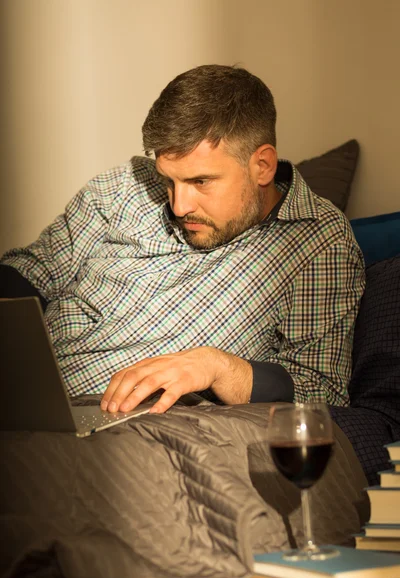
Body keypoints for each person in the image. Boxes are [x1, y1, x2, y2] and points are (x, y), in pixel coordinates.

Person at [0, 64, 365, 415]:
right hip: (22, 392)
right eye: (169, 180)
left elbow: (321, 391)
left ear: (263, 166)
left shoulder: (318, 242)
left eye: (200, 181)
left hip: (110, 432)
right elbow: (32, 270)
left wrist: (219, 367)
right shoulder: (120, 189)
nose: (178, 204)